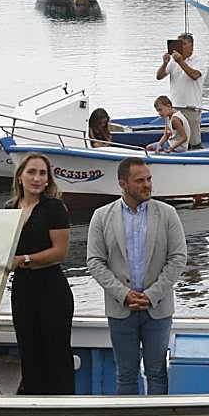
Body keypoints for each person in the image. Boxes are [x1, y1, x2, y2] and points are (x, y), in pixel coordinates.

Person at [86, 157, 188, 395]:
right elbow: (95, 261)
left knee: (157, 371)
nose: (147, 185)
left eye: (149, 179)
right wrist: (123, 294)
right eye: (140, 180)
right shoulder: (102, 216)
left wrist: (152, 294)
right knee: (126, 373)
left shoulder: (167, 214)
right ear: (123, 183)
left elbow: (178, 258)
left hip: (158, 308)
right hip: (120, 308)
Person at [5, 153, 75, 395]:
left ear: (48, 180)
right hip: (23, 289)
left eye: (42, 173)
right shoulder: (9, 208)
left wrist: (23, 260)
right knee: (28, 350)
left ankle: (63, 408)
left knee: (56, 353)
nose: (37, 178)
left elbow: (60, 252)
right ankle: (33, 406)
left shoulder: (54, 208)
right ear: (20, 176)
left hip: (52, 289)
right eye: (31, 172)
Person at [155, 32, 205, 148]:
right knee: (175, 137)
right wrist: (164, 63)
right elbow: (159, 76)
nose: (181, 47)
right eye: (178, 44)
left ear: (191, 45)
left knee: (193, 140)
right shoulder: (173, 61)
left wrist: (181, 62)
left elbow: (194, 75)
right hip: (175, 107)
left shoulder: (198, 60)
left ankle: (197, 155)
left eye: (184, 44)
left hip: (191, 106)